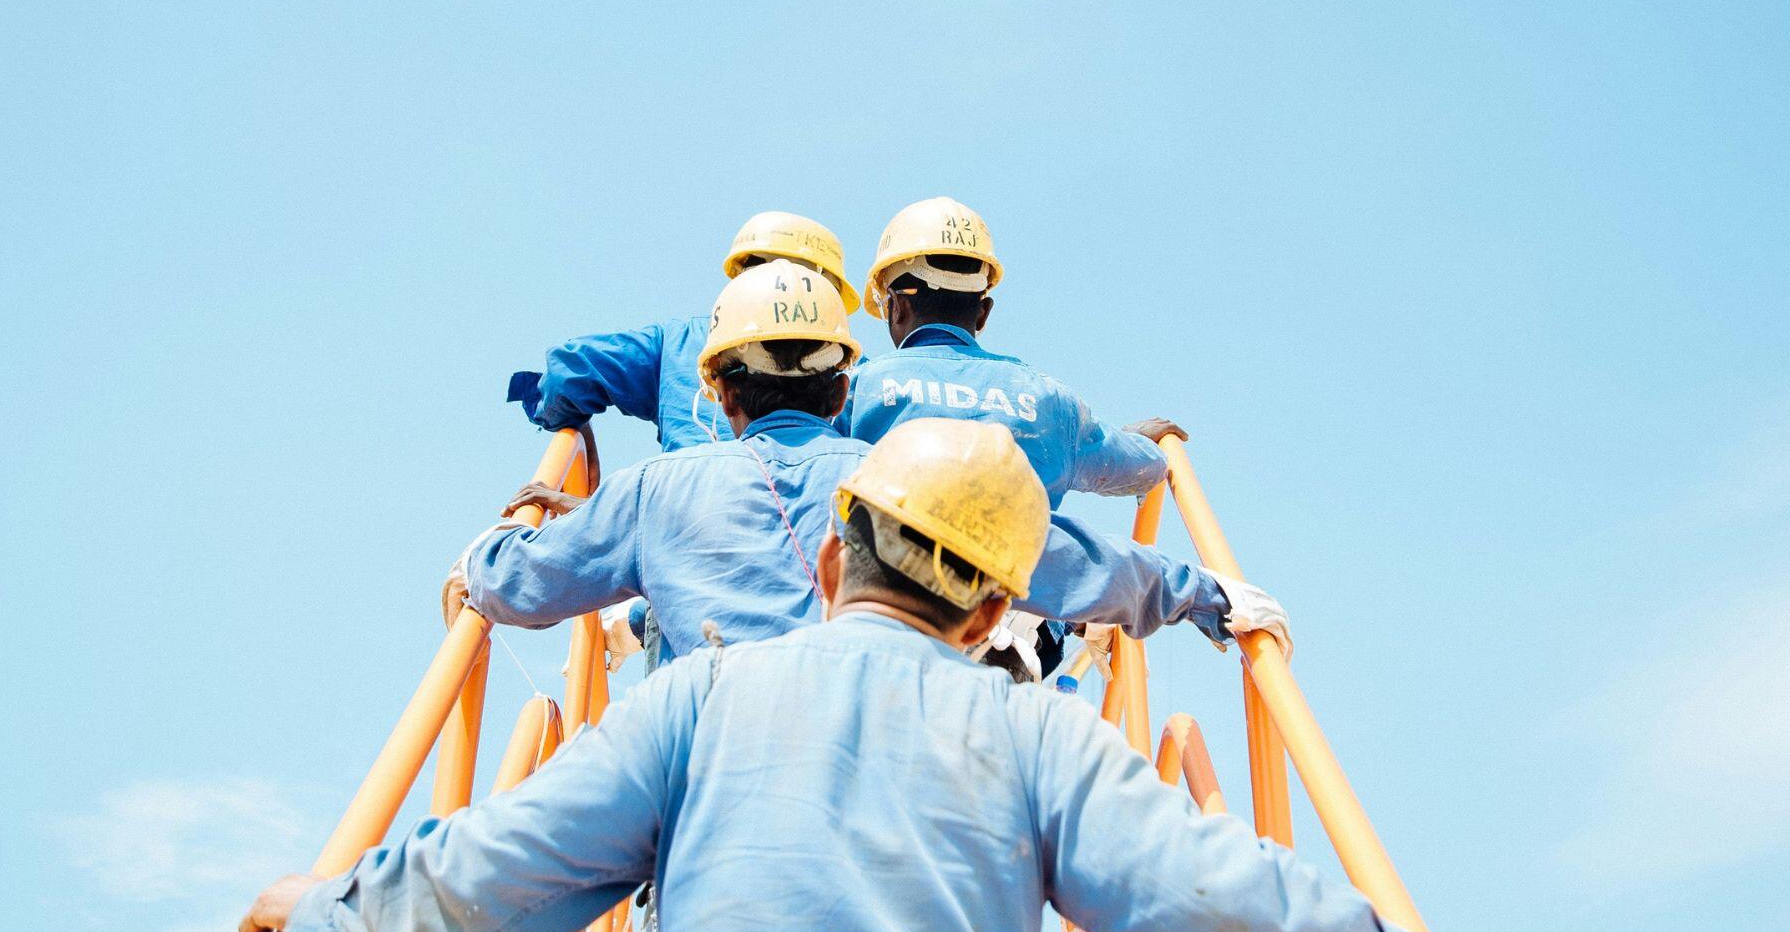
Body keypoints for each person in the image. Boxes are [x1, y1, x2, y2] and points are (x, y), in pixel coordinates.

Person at [242, 418, 1485, 932]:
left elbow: (510, 865)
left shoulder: (700, 697)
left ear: (832, 558)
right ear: (996, 615)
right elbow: (1208, 903)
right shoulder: (1039, 726)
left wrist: (327, 909)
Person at [443, 261, 1287, 668]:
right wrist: (1205, 593)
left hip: (705, 820)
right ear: (844, 376)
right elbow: (1064, 558)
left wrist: (495, 547)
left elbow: (520, 587)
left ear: (719, 389)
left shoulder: (653, 492)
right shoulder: (908, 484)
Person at [848, 196, 1180, 507]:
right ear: (983, 312)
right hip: (1020, 568)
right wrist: (1140, 444)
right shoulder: (1049, 400)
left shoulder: (857, 389)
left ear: (897, 306)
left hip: (887, 567)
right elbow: (1138, 467)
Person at [506, 211, 861, 454]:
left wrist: (569, 423)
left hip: (681, 529)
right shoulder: (851, 371)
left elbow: (569, 372)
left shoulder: (675, 345)